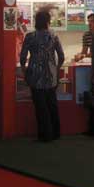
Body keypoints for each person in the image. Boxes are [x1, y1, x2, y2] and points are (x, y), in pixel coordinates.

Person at [20, 10, 65, 142]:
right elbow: (61, 56)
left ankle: (44, 134)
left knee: (40, 106)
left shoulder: (29, 37)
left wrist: (25, 70)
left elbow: (23, 57)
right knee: (52, 104)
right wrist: (56, 69)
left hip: (35, 74)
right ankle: (56, 132)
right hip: (51, 74)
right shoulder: (54, 36)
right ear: (47, 22)